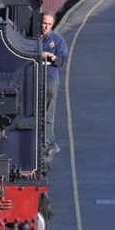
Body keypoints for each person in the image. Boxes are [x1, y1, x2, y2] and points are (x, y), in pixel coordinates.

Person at [40, 11, 68, 163]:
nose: (46, 27)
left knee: (48, 114)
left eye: (49, 24)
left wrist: (51, 56)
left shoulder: (58, 41)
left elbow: (62, 61)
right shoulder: (32, 38)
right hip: (35, 78)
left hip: (50, 80)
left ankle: (48, 145)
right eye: (44, 23)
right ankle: (52, 143)